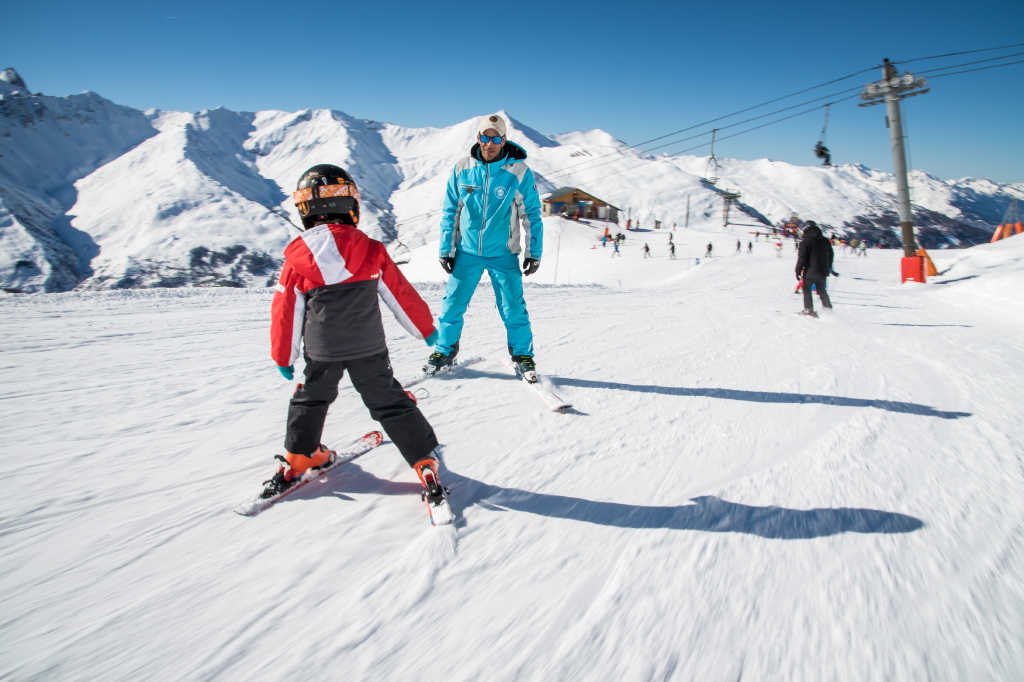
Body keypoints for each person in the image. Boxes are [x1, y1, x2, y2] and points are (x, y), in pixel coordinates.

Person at [267, 164, 445, 506]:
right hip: (369, 349)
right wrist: (425, 329)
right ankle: (422, 459)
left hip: (322, 352)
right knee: (389, 402)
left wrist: (283, 357)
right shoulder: (372, 249)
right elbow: (400, 294)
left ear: (304, 209)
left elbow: (286, 311)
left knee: (311, 399)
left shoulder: (296, 259)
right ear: (351, 205)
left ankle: (300, 457)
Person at [428, 114, 543, 382]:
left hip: (503, 254)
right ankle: (445, 351)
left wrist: (533, 251)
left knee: (513, 307)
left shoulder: (518, 172)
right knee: (452, 305)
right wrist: (446, 248)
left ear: (504, 140)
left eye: (495, 138)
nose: (489, 143)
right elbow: (450, 212)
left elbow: (532, 214)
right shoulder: (462, 168)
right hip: (467, 253)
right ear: (478, 137)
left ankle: (523, 356)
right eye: (484, 137)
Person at [795, 220, 834, 317]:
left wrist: (798, 270)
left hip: (810, 271)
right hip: (823, 271)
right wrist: (828, 267)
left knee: (806, 288)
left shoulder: (806, 242)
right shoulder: (825, 240)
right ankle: (828, 310)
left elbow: (802, 258)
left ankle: (809, 310)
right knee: (821, 290)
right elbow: (831, 255)